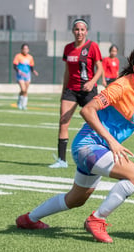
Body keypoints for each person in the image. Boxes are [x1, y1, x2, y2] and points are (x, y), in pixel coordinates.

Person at [16, 42, 134, 244]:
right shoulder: (121, 86)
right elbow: (87, 110)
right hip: (88, 146)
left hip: (98, 150)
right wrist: (112, 141)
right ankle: (97, 220)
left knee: (75, 199)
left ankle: (29, 219)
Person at [49, 18, 103, 169]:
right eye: (76, 29)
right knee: (63, 122)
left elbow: (100, 68)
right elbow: (67, 71)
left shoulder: (93, 46)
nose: (79, 32)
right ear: (73, 31)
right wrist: (63, 91)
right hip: (71, 90)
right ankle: (62, 160)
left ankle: (100, 155)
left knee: (95, 123)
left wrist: (92, 82)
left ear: (86, 31)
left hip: (88, 91)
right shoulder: (68, 48)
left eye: (82, 30)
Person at [13, 43, 39, 110]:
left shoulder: (30, 57)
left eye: (27, 49)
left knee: (25, 91)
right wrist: (20, 71)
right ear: (22, 49)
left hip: (27, 75)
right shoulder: (18, 56)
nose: (25, 50)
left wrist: (34, 71)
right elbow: (15, 66)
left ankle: (24, 105)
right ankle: (19, 103)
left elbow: (31, 66)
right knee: (23, 89)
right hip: (20, 76)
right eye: (24, 49)